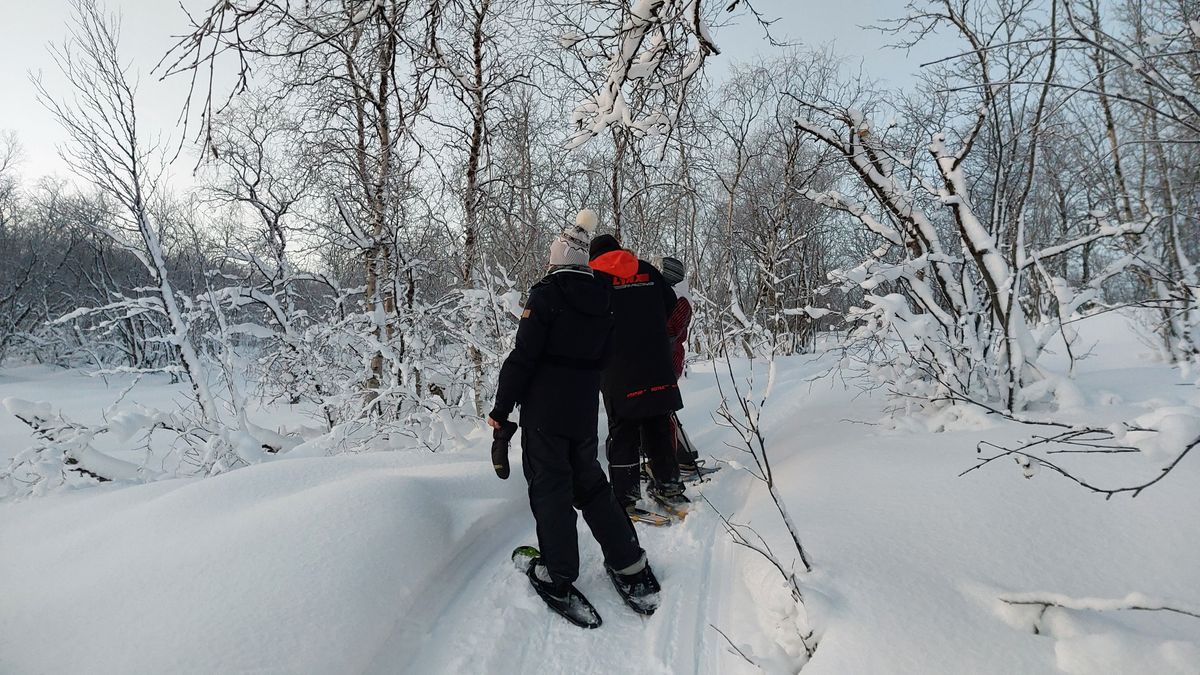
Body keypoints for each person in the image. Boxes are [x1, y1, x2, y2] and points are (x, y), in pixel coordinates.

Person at [487, 209, 660, 617]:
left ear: (558, 258)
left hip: (545, 413)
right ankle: (629, 562)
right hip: (583, 410)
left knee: (551, 490)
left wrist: (500, 409)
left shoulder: (547, 294)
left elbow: (523, 357)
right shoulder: (604, 296)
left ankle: (558, 573)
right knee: (592, 487)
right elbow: (604, 356)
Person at [588, 234, 688, 514]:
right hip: (657, 366)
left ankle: (626, 497)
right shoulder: (649, 271)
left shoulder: (594, 278)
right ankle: (669, 486)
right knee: (657, 426)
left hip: (619, 371)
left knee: (623, 433)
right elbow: (672, 310)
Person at [658, 256, 702, 473]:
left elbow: (671, 331)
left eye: (663, 271)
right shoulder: (671, 295)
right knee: (660, 412)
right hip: (663, 360)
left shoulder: (681, 299)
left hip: (669, 361)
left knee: (664, 412)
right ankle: (682, 455)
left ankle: (677, 460)